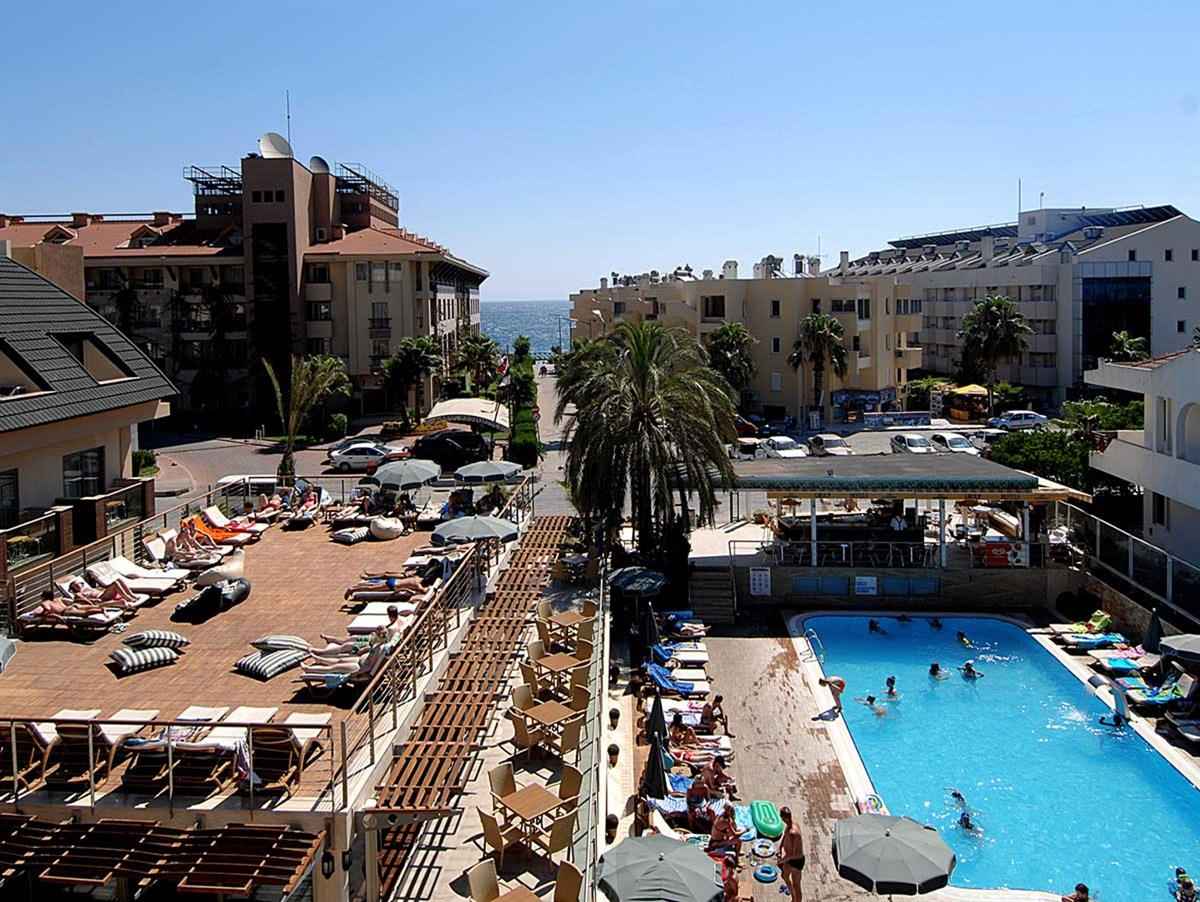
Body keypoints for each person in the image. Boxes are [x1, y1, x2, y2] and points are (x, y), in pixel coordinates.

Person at [777, 805, 805, 900]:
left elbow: (793, 854)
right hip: (789, 859)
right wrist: (780, 847)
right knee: (784, 876)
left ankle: (797, 899)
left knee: (796, 885)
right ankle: (793, 897)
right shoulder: (788, 826)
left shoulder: (793, 832)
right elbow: (785, 836)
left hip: (796, 861)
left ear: (784, 818)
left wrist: (781, 860)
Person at [65, 576, 139, 608]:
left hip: (104, 594)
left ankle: (132, 595)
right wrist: (94, 600)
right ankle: (127, 598)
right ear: (73, 588)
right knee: (115, 584)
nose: (79, 585)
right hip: (101, 598)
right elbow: (83, 601)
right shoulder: (78, 594)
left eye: (80, 583)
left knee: (119, 580)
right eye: (76, 585)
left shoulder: (86, 588)